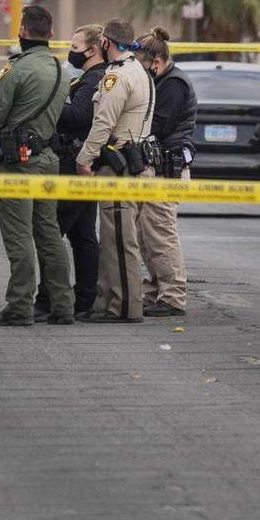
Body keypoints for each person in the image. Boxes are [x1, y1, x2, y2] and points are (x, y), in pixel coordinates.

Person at [0, 5, 73, 327]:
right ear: (51, 34)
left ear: (22, 32)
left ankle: (19, 306)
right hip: (48, 161)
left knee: (19, 236)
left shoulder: (16, 70)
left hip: (18, 164)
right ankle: (63, 305)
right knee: (49, 234)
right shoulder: (61, 71)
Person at [75, 18, 156, 324]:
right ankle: (105, 302)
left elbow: (103, 123)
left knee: (121, 242)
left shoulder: (117, 77)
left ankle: (124, 307)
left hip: (121, 167)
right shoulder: (140, 71)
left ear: (106, 43)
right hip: (135, 165)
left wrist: (84, 159)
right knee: (112, 240)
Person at [32, 23, 106, 321]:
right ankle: (84, 299)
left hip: (73, 164)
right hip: (79, 162)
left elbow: (80, 115)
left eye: (75, 48)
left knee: (50, 232)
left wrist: (47, 104)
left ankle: (47, 300)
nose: (70, 53)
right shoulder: (88, 76)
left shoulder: (94, 78)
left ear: (93, 50)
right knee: (83, 235)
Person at [135, 27, 196, 318]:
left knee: (160, 233)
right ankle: (154, 291)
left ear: (156, 62)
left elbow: (158, 125)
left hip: (167, 168)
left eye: (141, 65)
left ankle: (172, 296)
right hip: (158, 167)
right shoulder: (164, 80)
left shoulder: (173, 84)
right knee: (147, 235)